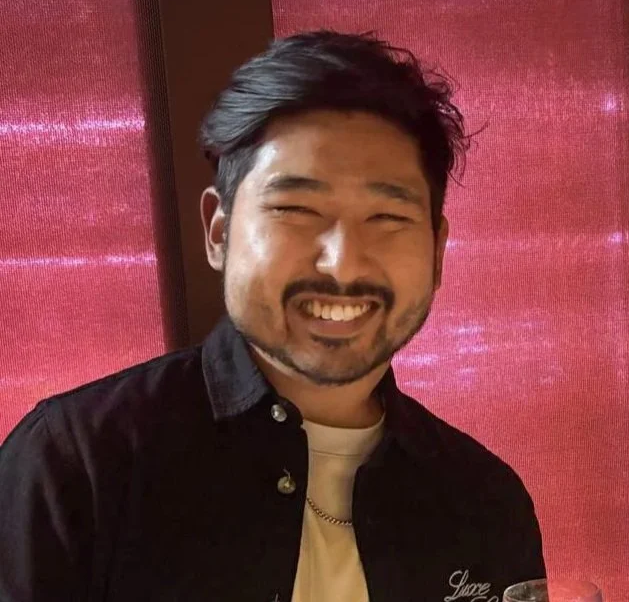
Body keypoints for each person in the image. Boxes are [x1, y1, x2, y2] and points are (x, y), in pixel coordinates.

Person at [0, 31, 545, 602]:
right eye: (295, 209)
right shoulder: (75, 466)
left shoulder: (485, 500)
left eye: (388, 217)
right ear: (218, 231)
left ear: (436, 253)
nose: (342, 263)